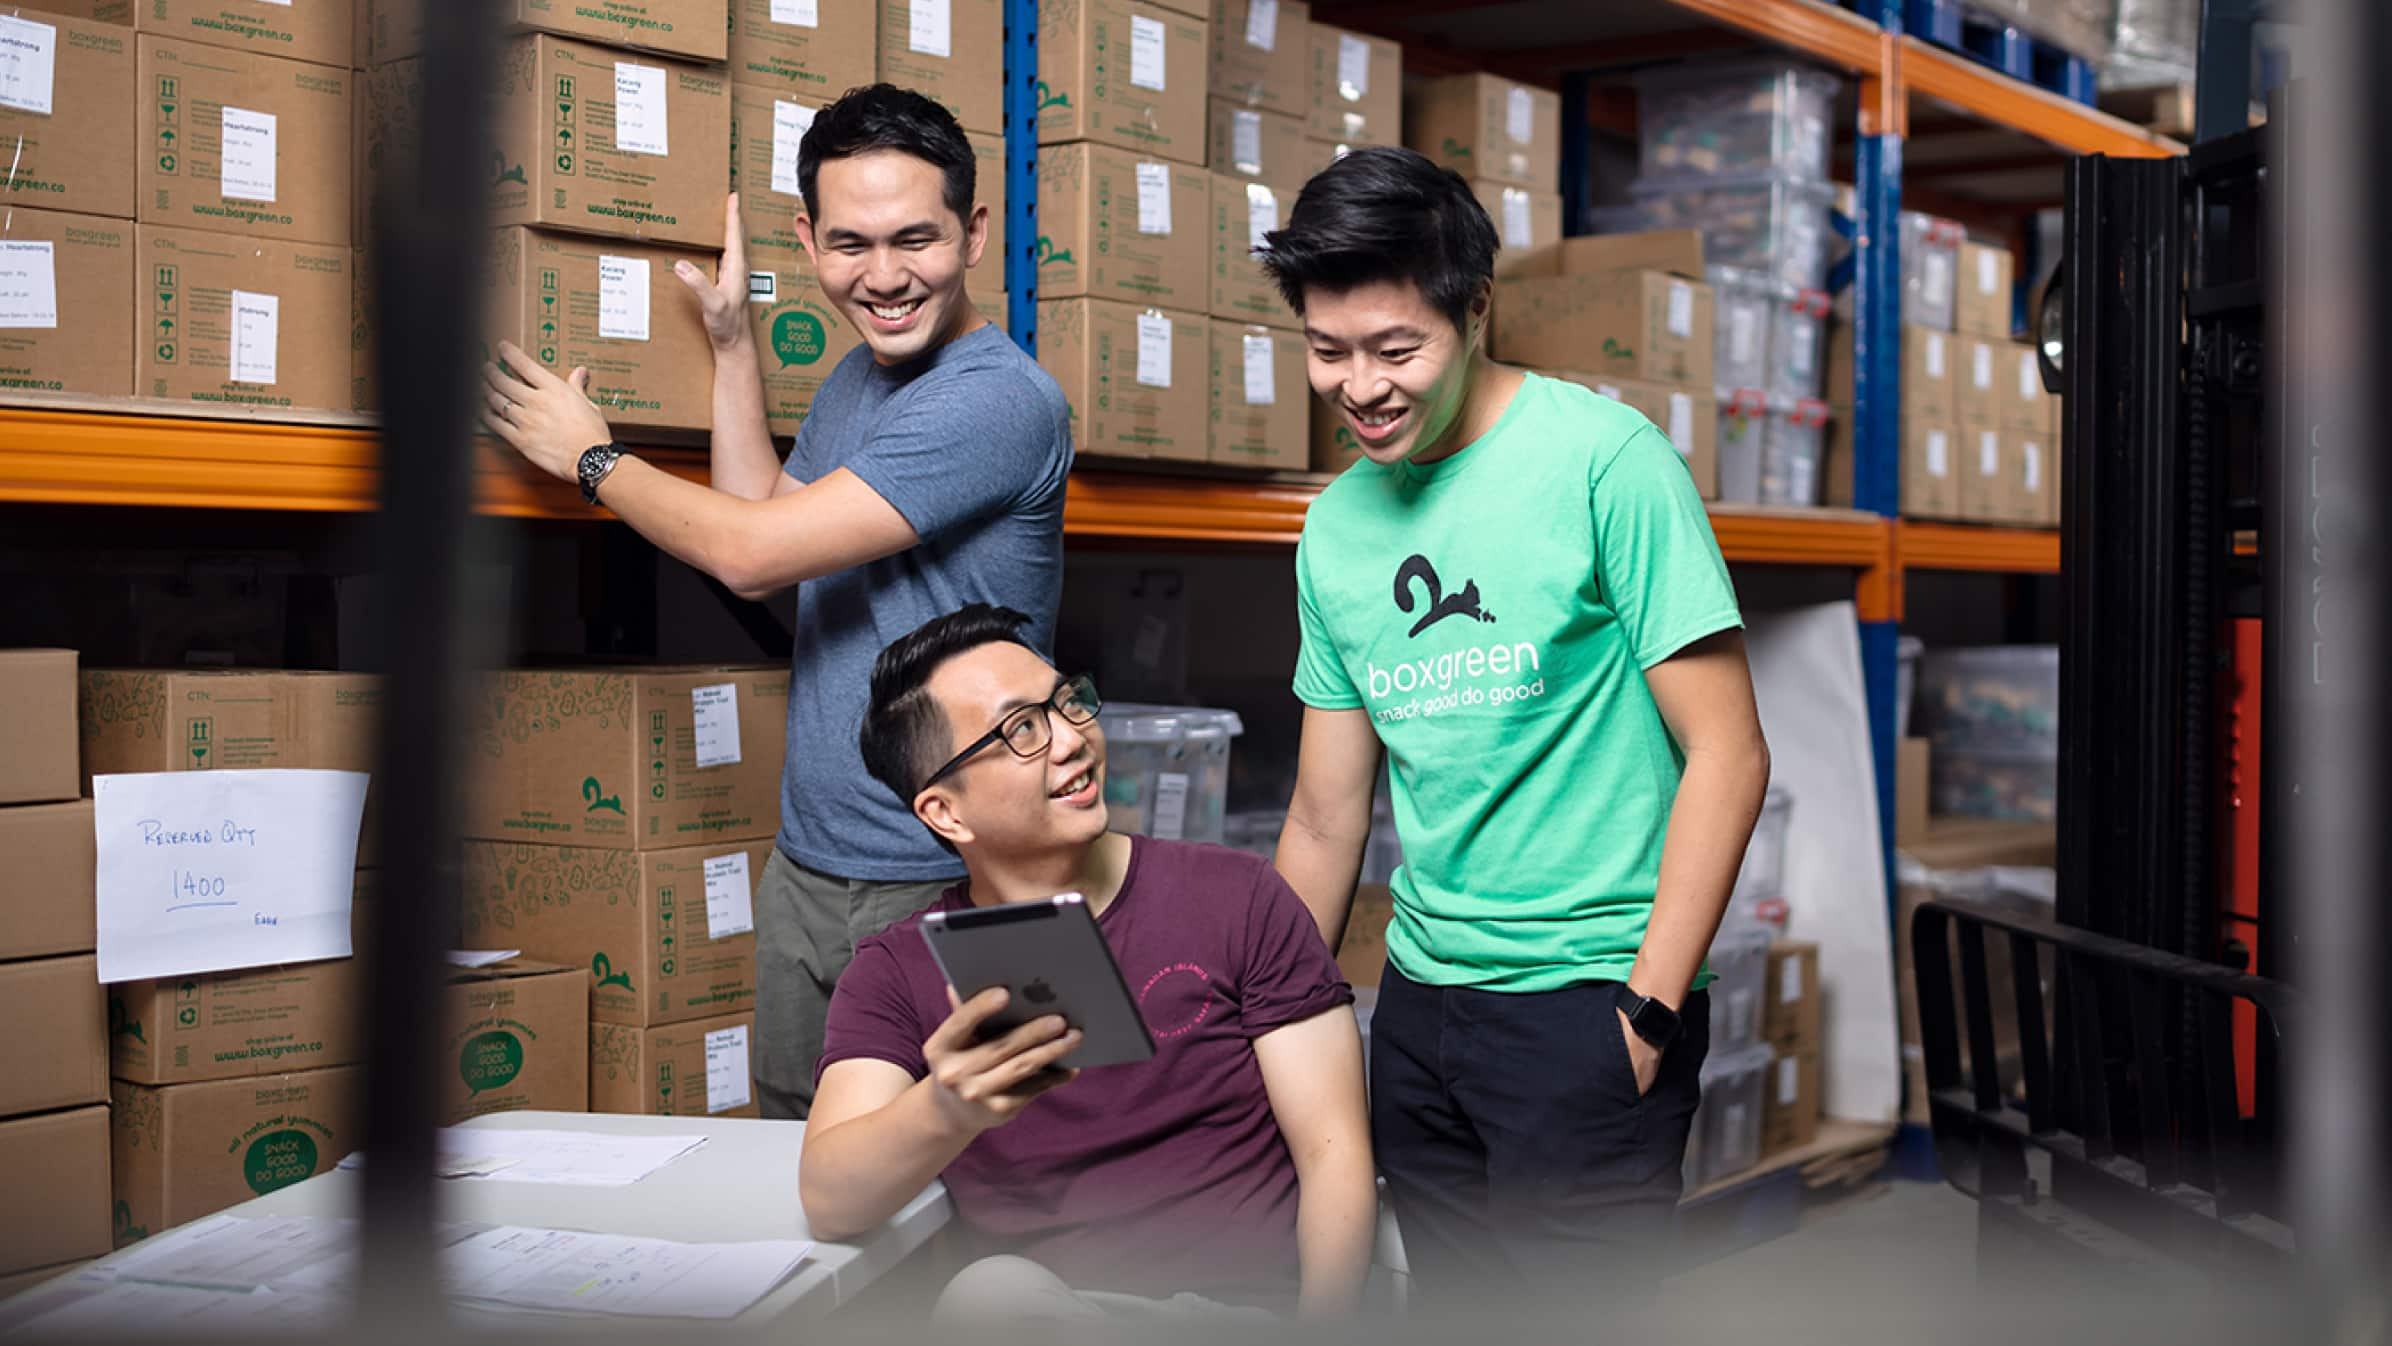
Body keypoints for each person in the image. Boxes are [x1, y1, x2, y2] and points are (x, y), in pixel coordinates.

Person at [479, 85, 1072, 1119]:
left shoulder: (997, 399)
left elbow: (751, 557)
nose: (882, 278)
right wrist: (732, 347)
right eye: (849, 244)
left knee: (973, 1184)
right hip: (813, 861)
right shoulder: (856, 379)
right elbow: (758, 520)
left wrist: (590, 457)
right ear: (806, 238)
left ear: (974, 233)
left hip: (952, 875)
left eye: (914, 240)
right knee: (804, 1171)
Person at [1256, 147, 1774, 1306]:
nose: (1360, 386)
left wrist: (1646, 1009)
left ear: (1475, 308)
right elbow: (1326, 815)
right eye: (1327, 351)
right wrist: (1272, 1017)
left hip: (1586, 1004)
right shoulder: (1335, 526)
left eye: (1397, 349)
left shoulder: (1603, 461)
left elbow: (1729, 754)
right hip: (1420, 1006)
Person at [800, 604, 1376, 1321]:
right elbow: (829, 1199)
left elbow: (1335, 1153)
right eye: (1021, 731)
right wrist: (944, 1109)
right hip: (1054, 1317)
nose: (1072, 739)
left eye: (1066, 702)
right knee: (988, 1298)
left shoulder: (1237, 897)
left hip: (1243, 1317)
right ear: (946, 813)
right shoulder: (898, 971)